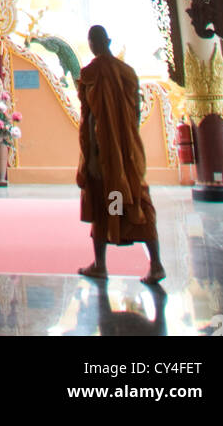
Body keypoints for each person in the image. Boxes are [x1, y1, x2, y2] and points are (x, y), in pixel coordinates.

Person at [76, 25, 166, 285]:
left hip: (105, 152)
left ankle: (103, 264)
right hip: (126, 151)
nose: (94, 46)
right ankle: (152, 264)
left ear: (94, 44)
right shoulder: (127, 73)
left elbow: (90, 117)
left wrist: (92, 154)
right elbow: (135, 114)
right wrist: (125, 142)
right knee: (131, 199)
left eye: (93, 42)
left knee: (108, 200)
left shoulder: (92, 74)